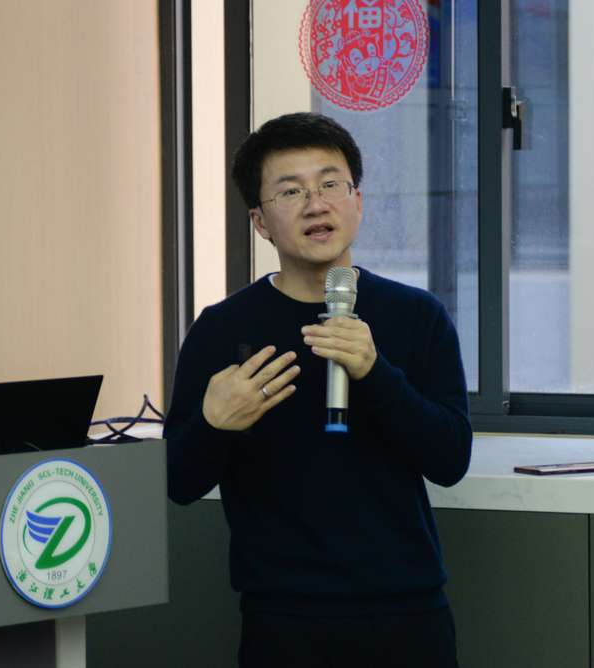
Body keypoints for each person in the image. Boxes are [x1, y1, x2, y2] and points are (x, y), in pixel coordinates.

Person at [163, 112, 472, 667]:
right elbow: (177, 483)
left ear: (358, 201)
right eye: (290, 191)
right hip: (284, 619)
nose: (315, 204)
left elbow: (450, 459)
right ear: (260, 222)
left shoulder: (417, 316)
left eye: (331, 184)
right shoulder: (222, 329)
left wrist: (375, 373)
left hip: (409, 610)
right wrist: (213, 425)